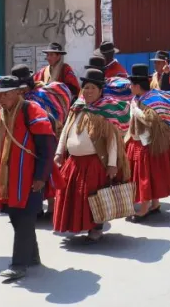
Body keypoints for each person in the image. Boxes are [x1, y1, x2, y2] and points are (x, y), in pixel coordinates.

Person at [0, 76, 57, 282]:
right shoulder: (0, 114)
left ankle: (19, 264)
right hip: (8, 176)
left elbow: (47, 146)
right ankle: (32, 256)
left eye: (6, 94)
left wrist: (40, 177)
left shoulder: (32, 111)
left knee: (24, 217)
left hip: (29, 177)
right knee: (17, 217)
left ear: (19, 92)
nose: (1, 98)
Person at [53, 68, 130, 243]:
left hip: (93, 162)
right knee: (74, 196)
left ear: (100, 91)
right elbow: (66, 130)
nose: (88, 91)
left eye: (92, 88)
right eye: (85, 88)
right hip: (73, 162)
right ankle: (78, 225)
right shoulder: (77, 107)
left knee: (92, 196)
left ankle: (95, 227)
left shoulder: (105, 111)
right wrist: (59, 152)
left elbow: (112, 141)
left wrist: (112, 164)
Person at [125, 65, 170, 220]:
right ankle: (155, 204)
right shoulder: (138, 98)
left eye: (131, 85)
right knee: (150, 175)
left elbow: (149, 120)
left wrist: (136, 111)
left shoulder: (151, 100)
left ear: (137, 86)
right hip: (141, 141)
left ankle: (144, 209)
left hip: (149, 143)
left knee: (144, 176)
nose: (129, 87)